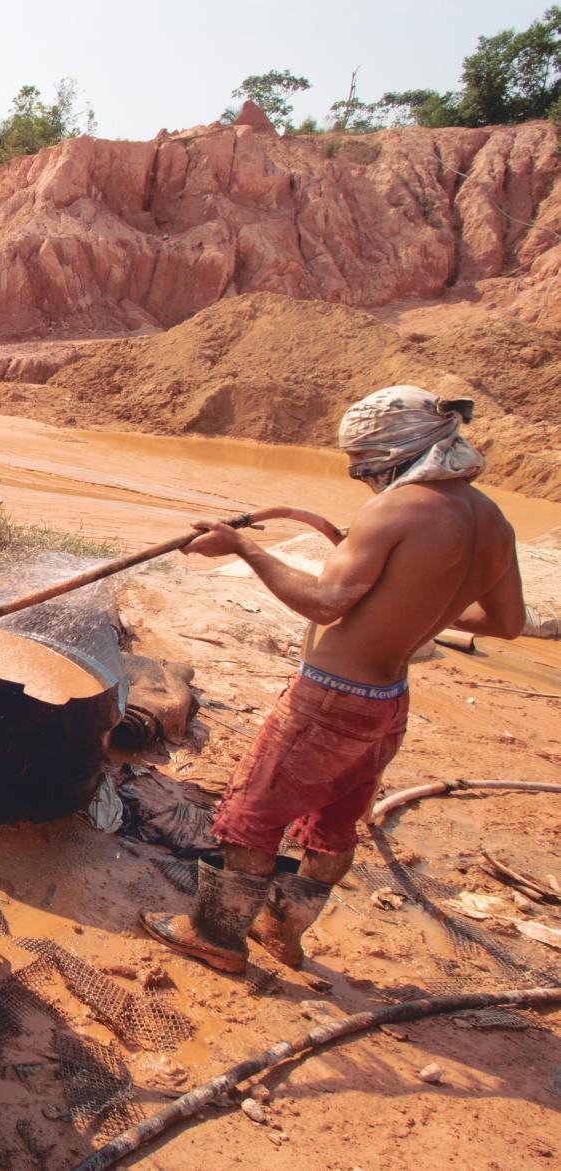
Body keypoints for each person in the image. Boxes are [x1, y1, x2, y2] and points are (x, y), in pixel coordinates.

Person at [142, 386, 525, 973]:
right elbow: (506, 621)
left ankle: (215, 937)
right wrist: (419, 607)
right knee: (335, 822)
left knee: (251, 811)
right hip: (387, 704)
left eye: (365, 465)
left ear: (394, 454)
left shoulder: (398, 508)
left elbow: (325, 601)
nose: (361, 477)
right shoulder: (493, 520)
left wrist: (243, 546)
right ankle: (282, 929)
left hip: (329, 701)